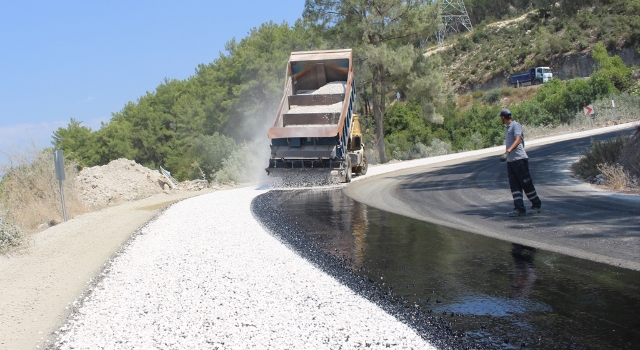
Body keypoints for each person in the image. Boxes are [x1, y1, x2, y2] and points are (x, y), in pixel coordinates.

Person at [499, 109, 542, 217]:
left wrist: (507, 152)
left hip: (519, 160)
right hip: (511, 161)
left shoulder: (515, 125)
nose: (500, 119)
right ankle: (519, 209)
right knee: (514, 185)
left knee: (526, 183)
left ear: (503, 117)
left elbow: (518, 140)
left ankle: (536, 205)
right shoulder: (508, 128)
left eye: (501, 117)